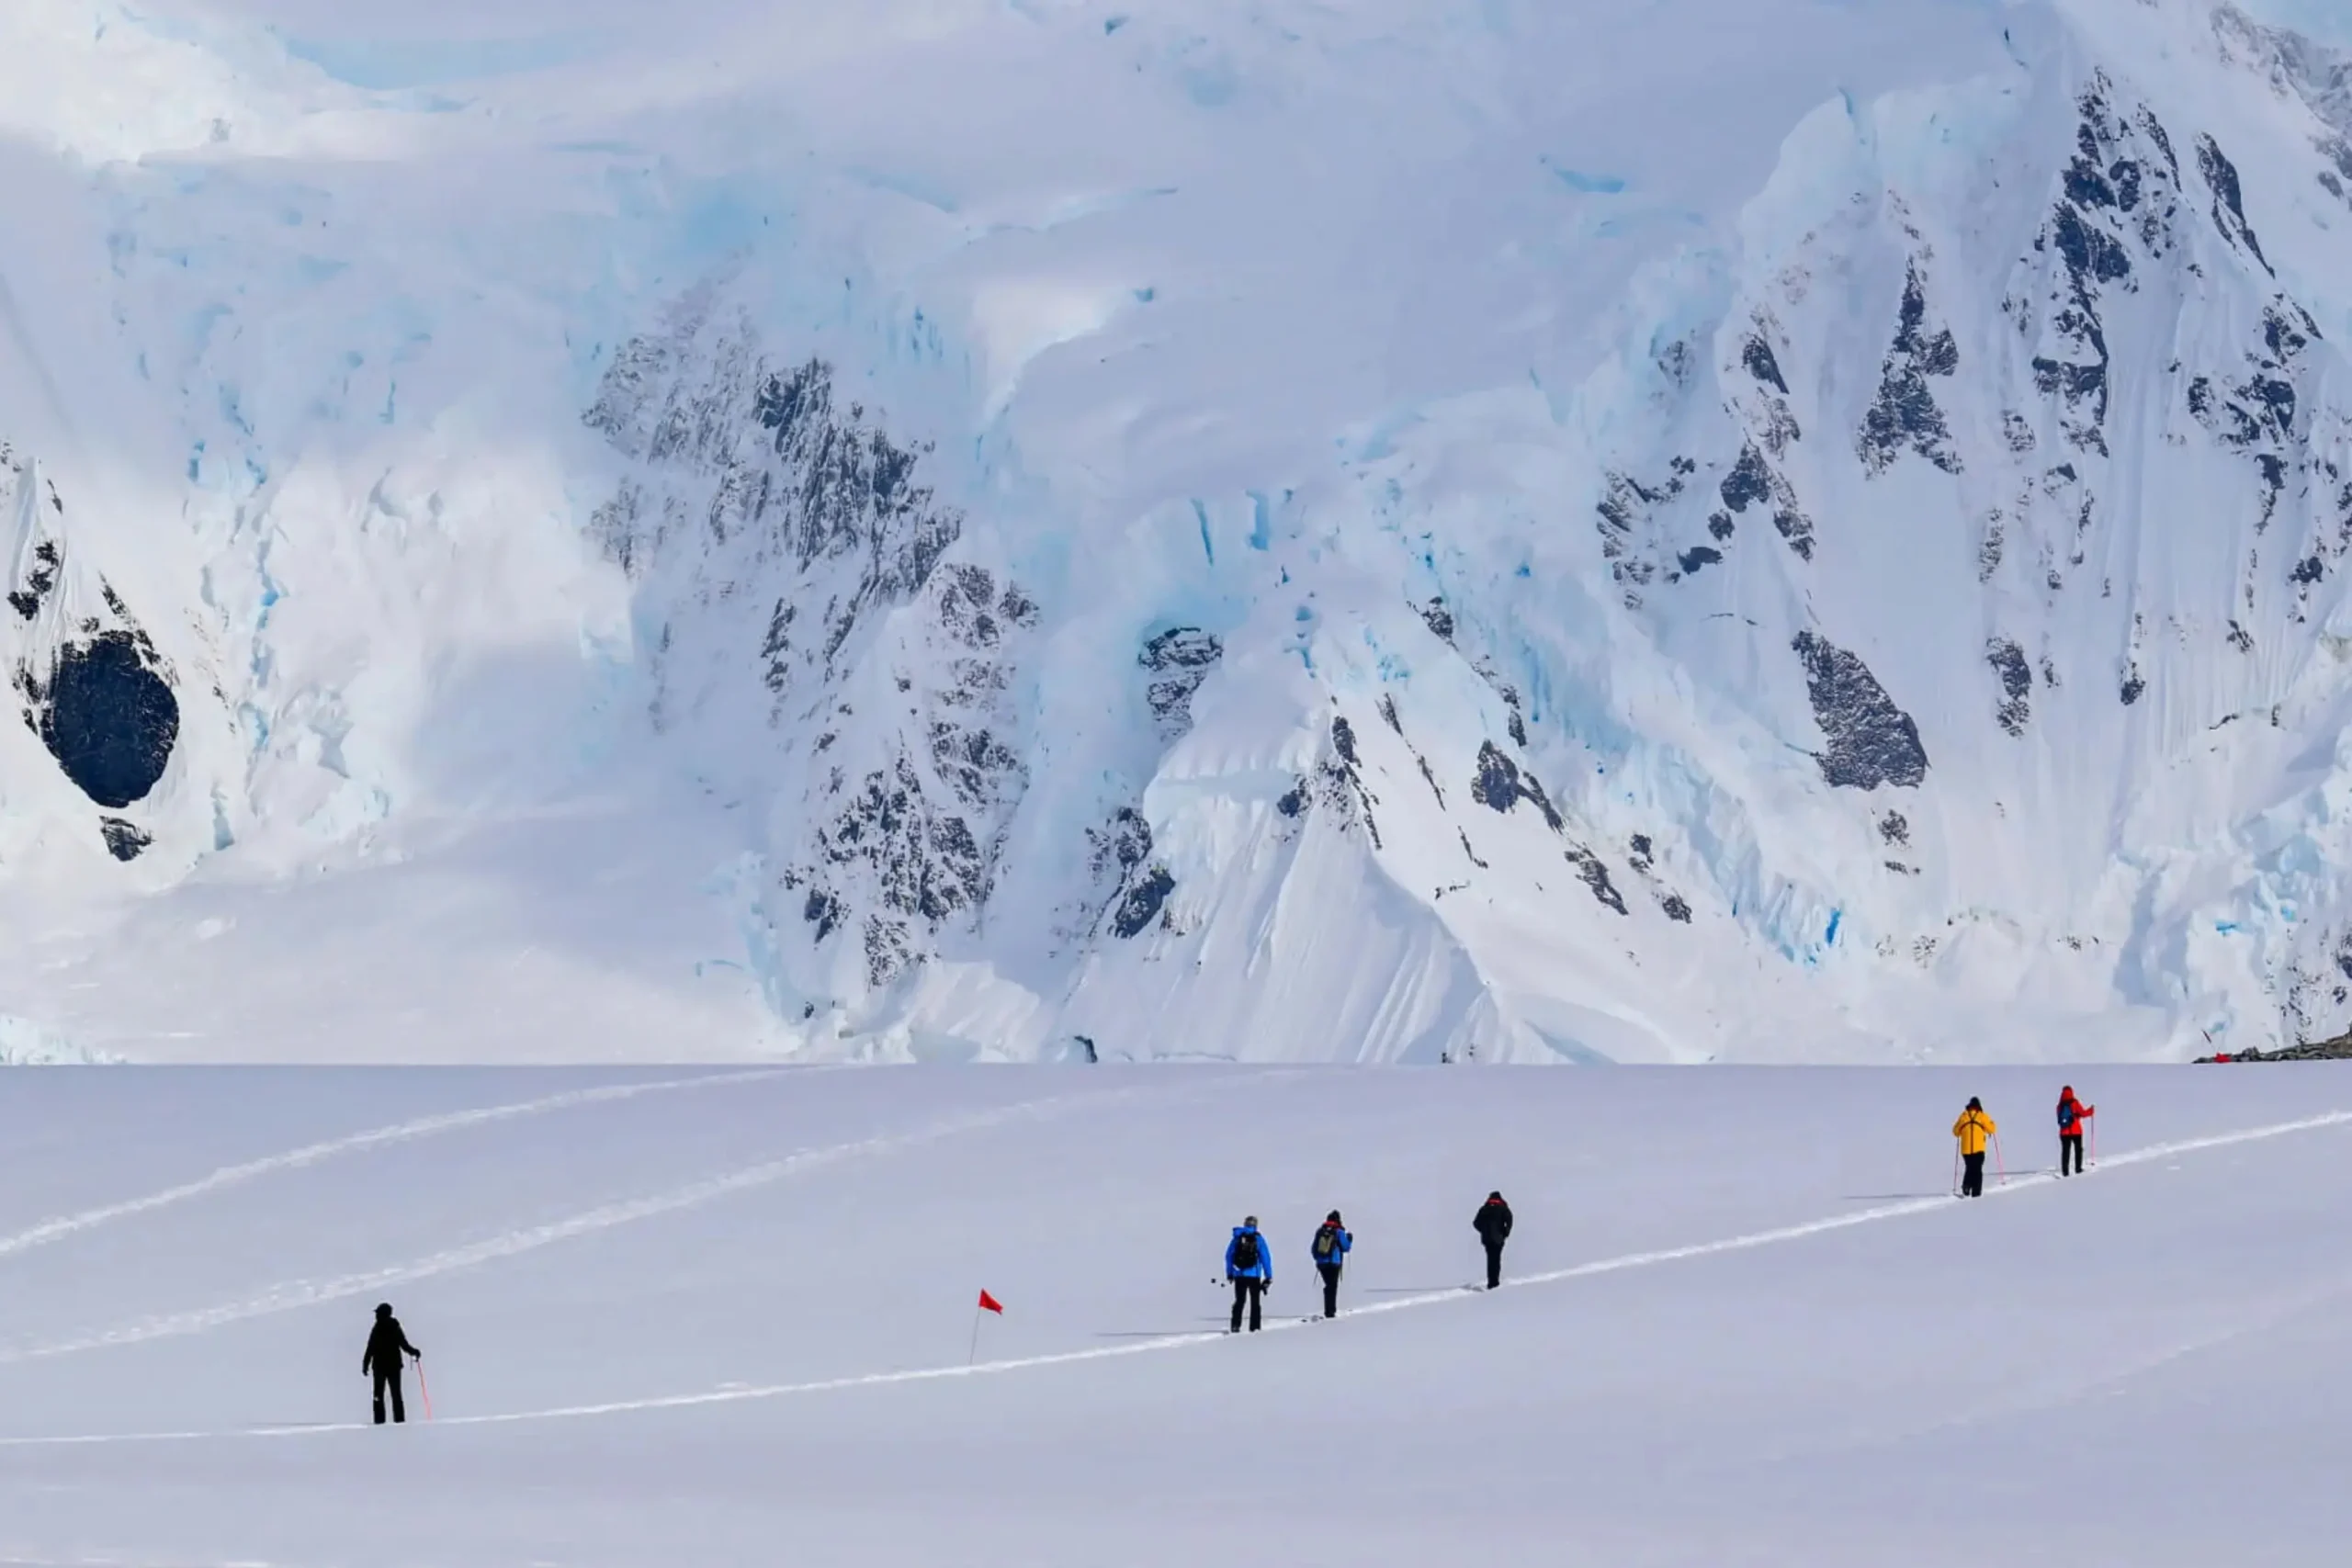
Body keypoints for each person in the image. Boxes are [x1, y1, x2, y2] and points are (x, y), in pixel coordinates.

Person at [362, 1302, 423, 1425]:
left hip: (380, 1367)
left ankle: (379, 1421)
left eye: (378, 1313)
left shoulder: (377, 1328)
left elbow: (370, 1348)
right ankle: (399, 1420)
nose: (376, 1316)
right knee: (396, 1394)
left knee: (378, 1395)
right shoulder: (394, 1327)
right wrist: (414, 1352)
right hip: (393, 1366)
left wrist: (365, 1364)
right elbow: (404, 1344)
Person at [1225, 1216, 1272, 1333]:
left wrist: (1230, 1273)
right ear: (1255, 1225)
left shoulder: (1237, 1238)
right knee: (1255, 1302)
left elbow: (1229, 1256)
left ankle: (1235, 1325)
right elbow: (1265, 1258)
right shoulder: (1259, 1239)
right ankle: (1255, 1327)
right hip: (1254, 1275)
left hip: (1239, 1274)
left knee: (1240, 1300)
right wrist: (1268, 1275)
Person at [1310, 1210, 1353, 1318]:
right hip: (1334, 1263)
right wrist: (1349, 1239)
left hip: (1322, 1264)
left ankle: (1328, 1310)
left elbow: (1313, 1249)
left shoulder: (1320, 1231)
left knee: (1329, 1285)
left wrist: (1319, 1259)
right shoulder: (1339, 1231)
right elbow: (1345, 1247)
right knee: (1332, 1286)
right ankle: (1330, 1311)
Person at [1952, 1098, 1997, 1198]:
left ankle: (1966, 1186)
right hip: (1978, 1148)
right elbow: (1991, 1129)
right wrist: (1993, 1123)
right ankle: (1976, 1193)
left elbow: (1955, 1132)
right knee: (1977, 1169)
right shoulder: (1982, 1116)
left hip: (1966, 1150)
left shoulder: (1964, 1116)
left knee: (1969, 1167)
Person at [1473, 1190, 1512, 1289]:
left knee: (1490, 1260)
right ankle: (1494, 1282)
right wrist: (1505, 1232)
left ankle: (1491, 1281)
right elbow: (1510, 1220)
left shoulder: (1484, 1209)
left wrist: (1483, 1230)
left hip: (1487, 1239)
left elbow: (1476, 1223)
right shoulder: (1503, 1208)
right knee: (1496, 1259)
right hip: (1498, 1238)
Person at [2056, 1086, 2096, 1176]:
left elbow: (2059, 1119)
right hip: (2076, 1131)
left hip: (2064, 1132)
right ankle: (2078, 1169)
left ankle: (2065, 1172)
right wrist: (2091, 1111)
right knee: (2078, 1150)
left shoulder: (2059, 1106)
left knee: (2065, 1151)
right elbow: (2083, 1113)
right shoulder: (2075, 1103)